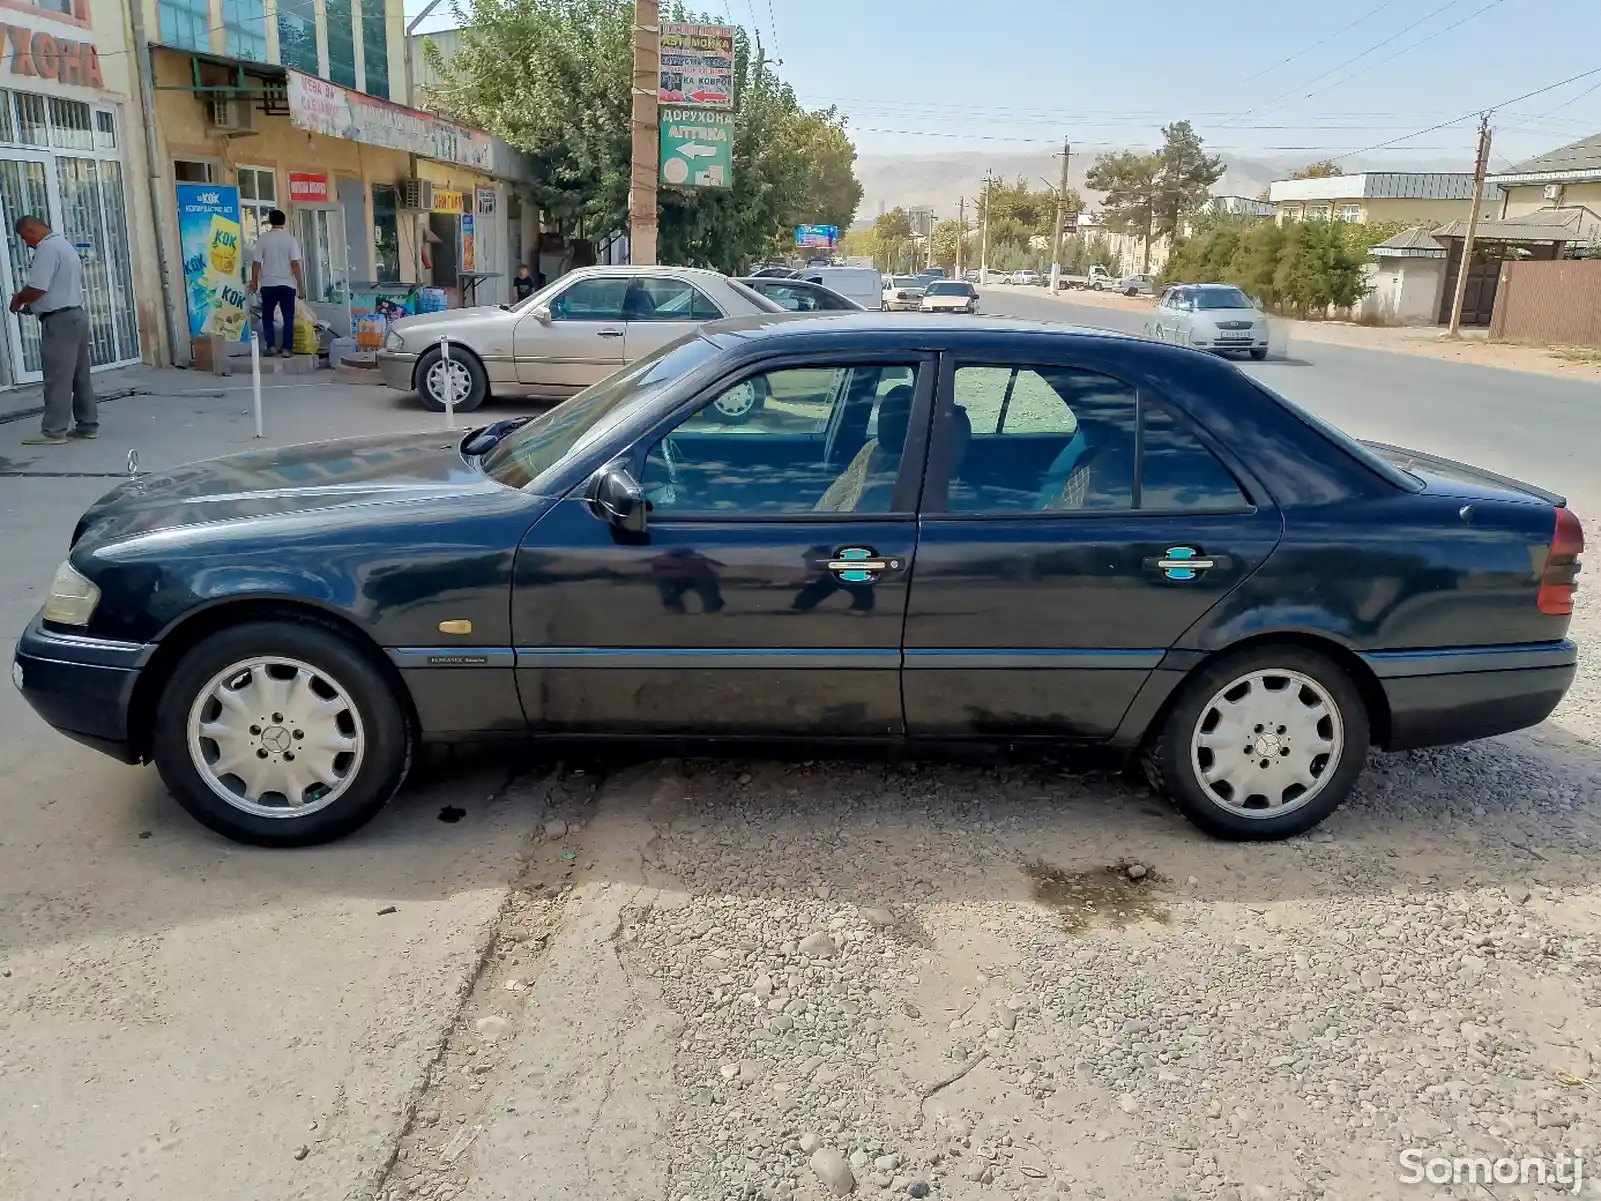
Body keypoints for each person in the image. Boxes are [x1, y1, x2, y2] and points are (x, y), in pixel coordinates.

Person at [10, 214, 94, 446]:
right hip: (76, 315)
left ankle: (53, 431)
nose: (26, 243)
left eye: (23, 237)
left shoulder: (46, 249)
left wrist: (19, 299)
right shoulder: (64, 245)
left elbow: (37, 288)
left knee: (57, 377)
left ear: (29, 231)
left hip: (60, 321)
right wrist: (35, 307)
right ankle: (88, 425)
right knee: (80, 376)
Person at [248, 209, 305, 358]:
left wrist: (254, 282)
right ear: (284, 222)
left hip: (268, 284)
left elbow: (256, 263)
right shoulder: (290, 240)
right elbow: (295, 264)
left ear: (270, 222)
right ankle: (287, 348)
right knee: (288, 317)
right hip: (287, 284)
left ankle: (271, 346)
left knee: (267, 317)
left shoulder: (263, 239)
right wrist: (300, 285)